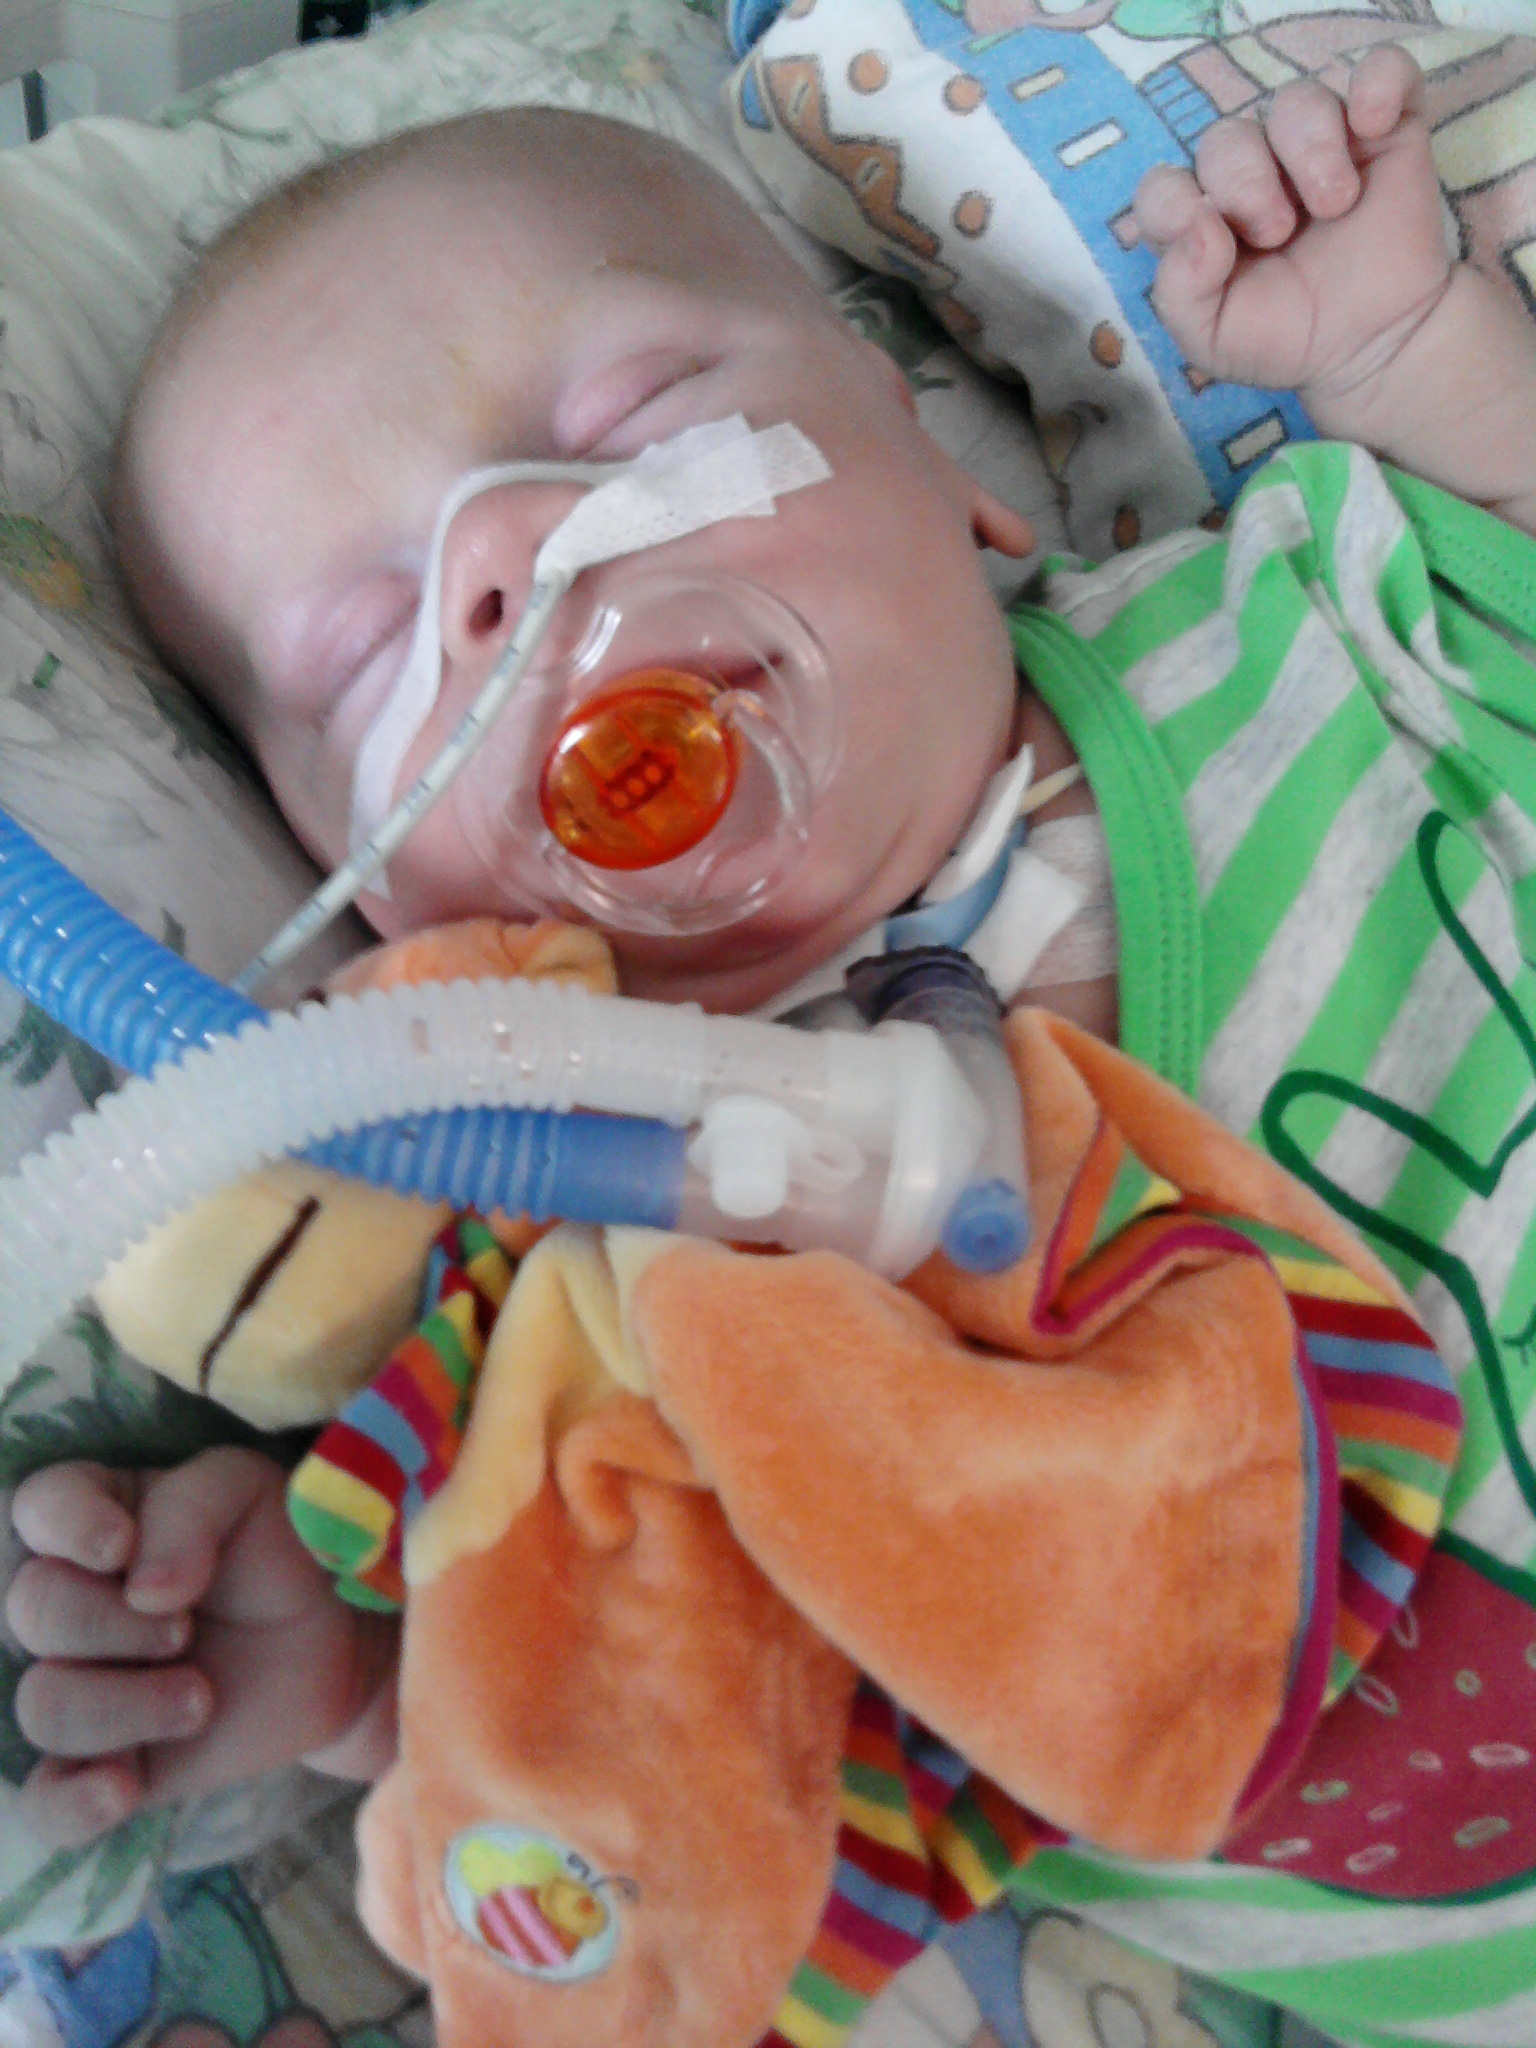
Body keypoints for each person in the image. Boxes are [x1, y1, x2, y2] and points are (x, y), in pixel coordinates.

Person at [11, 41, 1536, 2045]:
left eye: (632, 415)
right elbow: (684, 1735)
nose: (509, 564)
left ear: (942, 468)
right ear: (364, 896)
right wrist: (366, 1681)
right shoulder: (594, 1282)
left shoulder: (1298, 626)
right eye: (364, 648)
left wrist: (1415, 342)